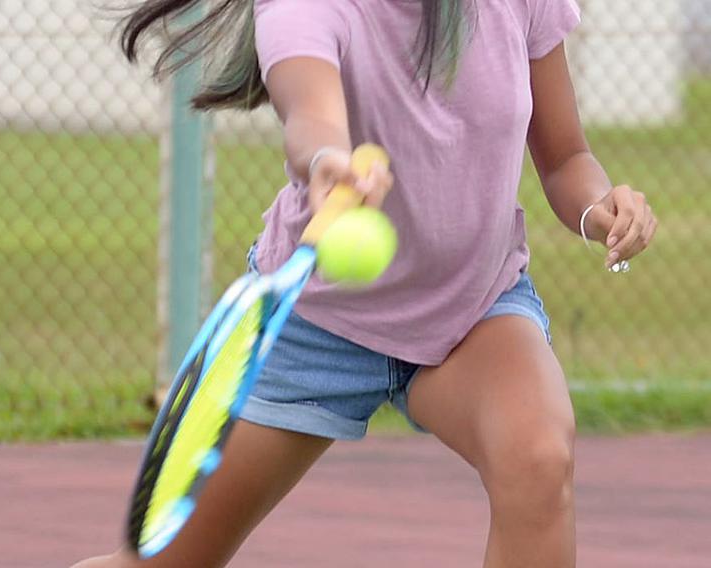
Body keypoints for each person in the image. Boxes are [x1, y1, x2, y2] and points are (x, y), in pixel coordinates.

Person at [74, 0, 657, 566]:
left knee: (539, 459)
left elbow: (565, 158)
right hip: (316, 325)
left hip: (472, 312)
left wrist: (598, 206)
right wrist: (330, 160)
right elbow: (312, 117)